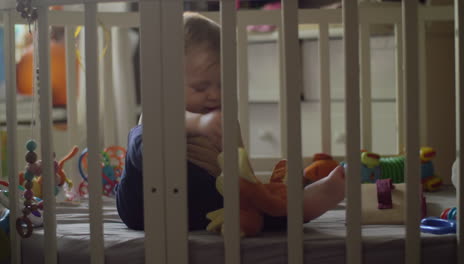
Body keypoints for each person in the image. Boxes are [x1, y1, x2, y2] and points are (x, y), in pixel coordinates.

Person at [116, 12, 345, 232]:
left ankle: (300, 204)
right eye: (201, 87)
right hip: (145, 201)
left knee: (252, 205)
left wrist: (255, 190)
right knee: (144, 137)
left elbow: (241, 171)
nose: (215, 95)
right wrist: (198, 124)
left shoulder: (224, 120)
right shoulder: (162, 105)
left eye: (222, 85)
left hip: (201, 201)